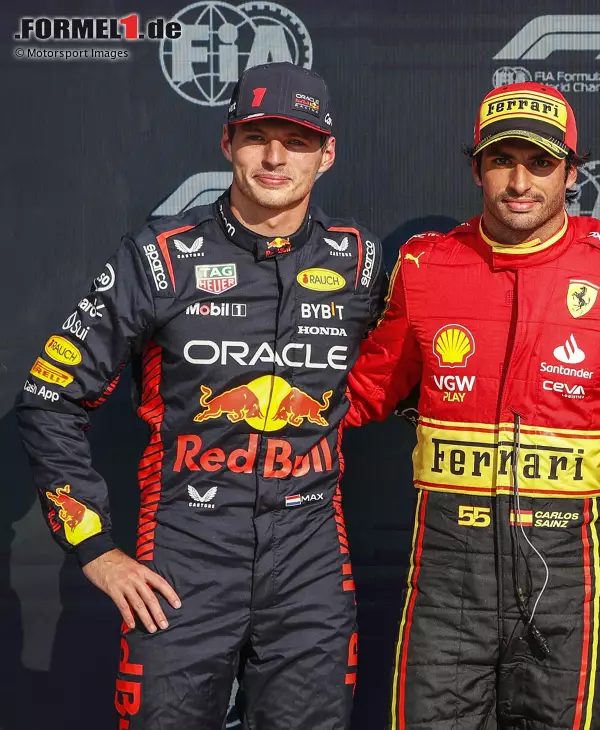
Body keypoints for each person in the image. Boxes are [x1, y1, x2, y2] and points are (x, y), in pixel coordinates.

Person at [16, 61, 386, 729]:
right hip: (183, 560)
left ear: (326, 155)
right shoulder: (158, 257)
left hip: (310, 567)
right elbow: (50, 398)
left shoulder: (358, 260)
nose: (274, 158)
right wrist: (94, 547)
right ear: (227, 143)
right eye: (256, 137)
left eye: (297, 141)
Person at [342, 82, 600, 730]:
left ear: (572, 172)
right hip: (447, 564)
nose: (519, 182)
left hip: (564, 567)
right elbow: (365, 391)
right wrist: (251, 412)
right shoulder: (425, 265)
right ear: (476, 169)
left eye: (540, 163)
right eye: (502, 161)